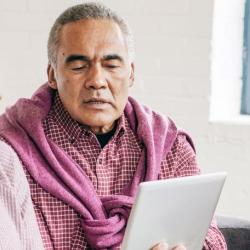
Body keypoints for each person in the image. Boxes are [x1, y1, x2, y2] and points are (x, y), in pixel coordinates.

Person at [0, 2, 227, 250]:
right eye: (78, 66)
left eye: (111, 65)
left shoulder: (169, 148)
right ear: (53, 75)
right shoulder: (12, 153)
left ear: (130, 73)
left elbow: (211, 237)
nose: (97, 81)